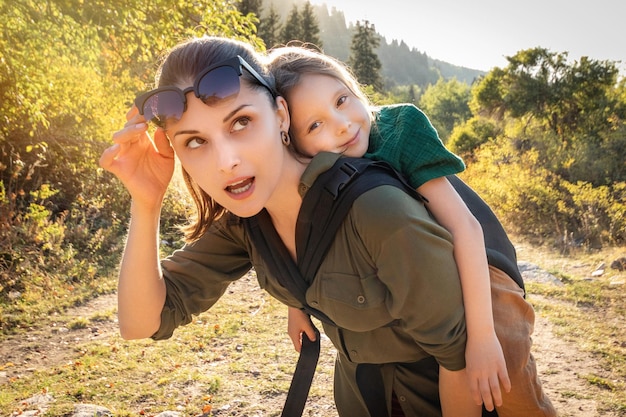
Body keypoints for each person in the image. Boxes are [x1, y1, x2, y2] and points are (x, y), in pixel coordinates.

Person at [99, 35, 486, 417]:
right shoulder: (247, 223)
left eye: (241, 122)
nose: (226, 162)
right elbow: (140, 322)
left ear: (281, 115)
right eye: (196, 142)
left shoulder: (377, 212)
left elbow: (459, 360)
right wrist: (146, 203)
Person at [266, 46, 556, 417]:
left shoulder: (399, 130)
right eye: (315, 124)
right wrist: (296, 305)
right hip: (413, 265)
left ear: (355, 90)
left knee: (505, 366)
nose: (341, 123)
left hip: (476, 254)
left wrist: (482, 337)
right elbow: (295, 230)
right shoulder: (310, 170)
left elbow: (465, 227)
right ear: (293, 144)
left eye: (342, 100)